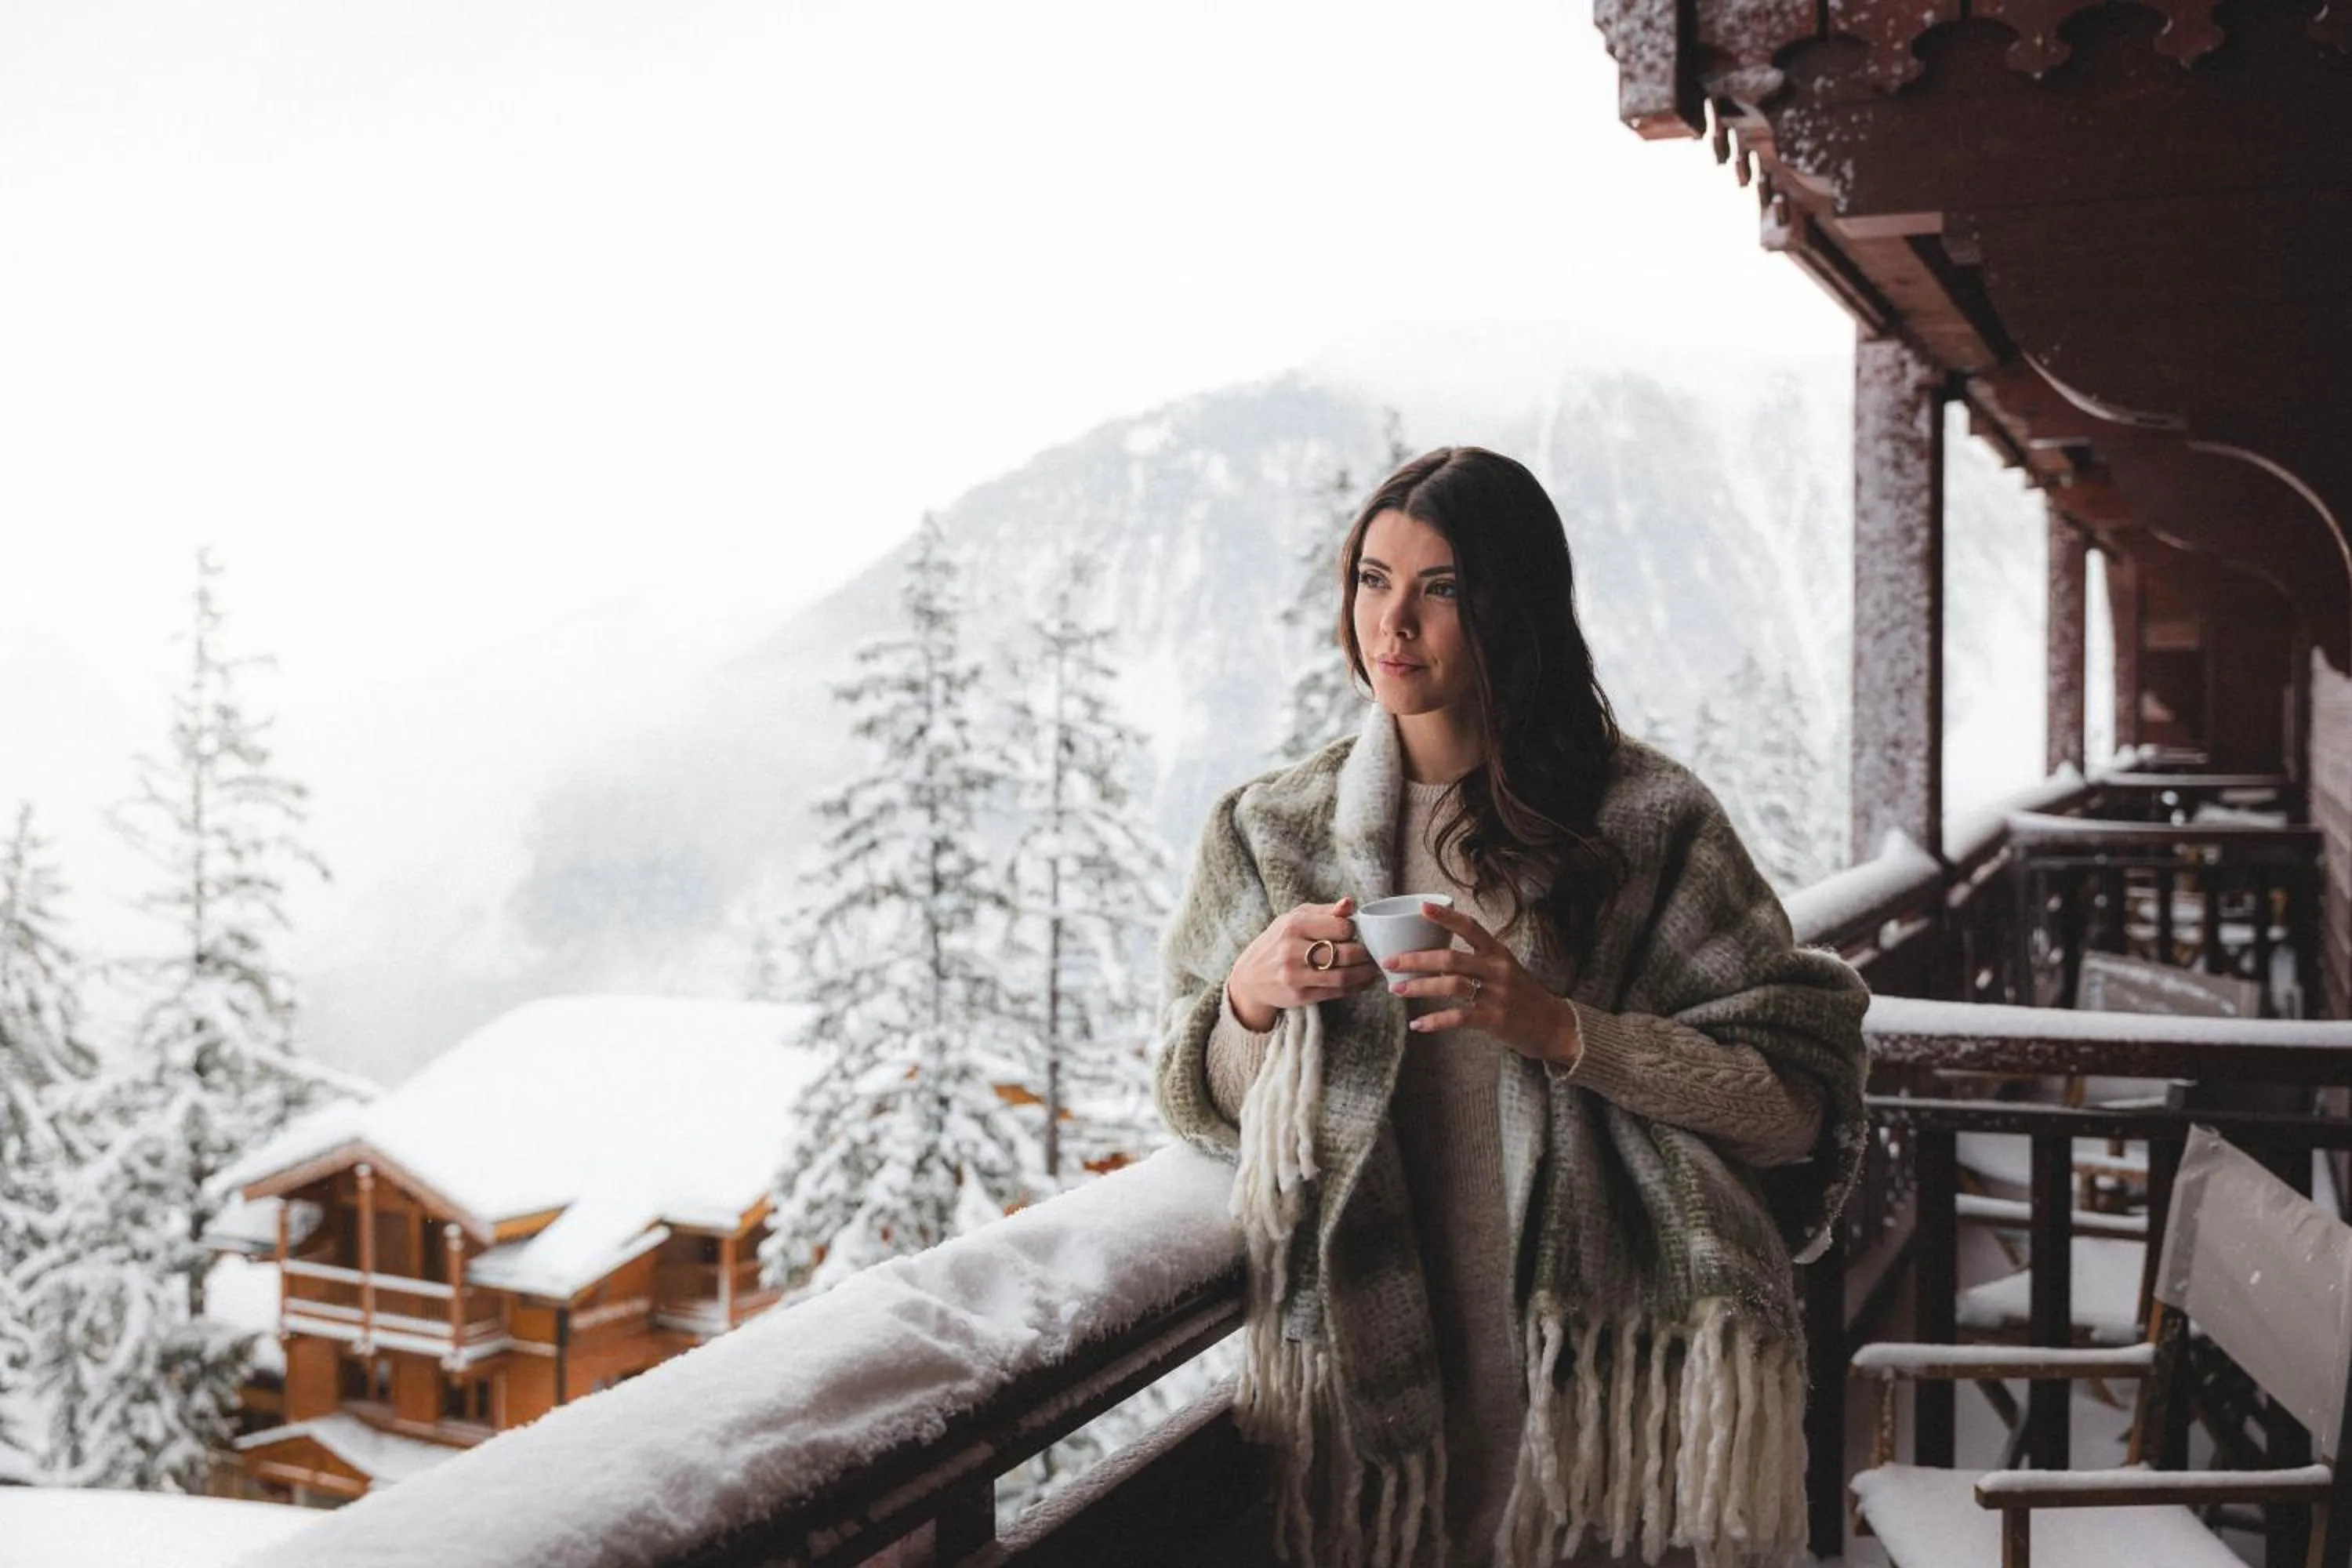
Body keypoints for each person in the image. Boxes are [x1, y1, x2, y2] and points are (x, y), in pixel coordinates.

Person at [1153, 447, 1869, 1568]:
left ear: (1512, 607)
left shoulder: (1647, 821)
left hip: (1605, 1374)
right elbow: (1193, 1098)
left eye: (1440, 590)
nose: (1393, 623)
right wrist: (1249, 1001)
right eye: (1371, 581)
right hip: (1381, 1359)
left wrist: (1560, 1029)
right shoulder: (1270, 831)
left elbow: (1793, 1105)